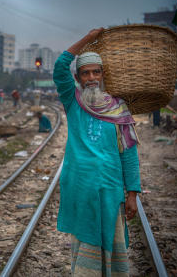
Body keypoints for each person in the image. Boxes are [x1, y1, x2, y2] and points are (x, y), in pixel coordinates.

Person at [53, 28, 141, 276]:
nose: (91, 77)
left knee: (112, 239)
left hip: (111, 188)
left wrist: (133, 193)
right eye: (85, 73)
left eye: (96, 71)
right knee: (86, 240)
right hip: (81, 186)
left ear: (102, 75)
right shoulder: (73, 101)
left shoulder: (119, 109)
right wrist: (88, 39)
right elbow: (60, 66)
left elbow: (129, 153)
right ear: (79, 78)